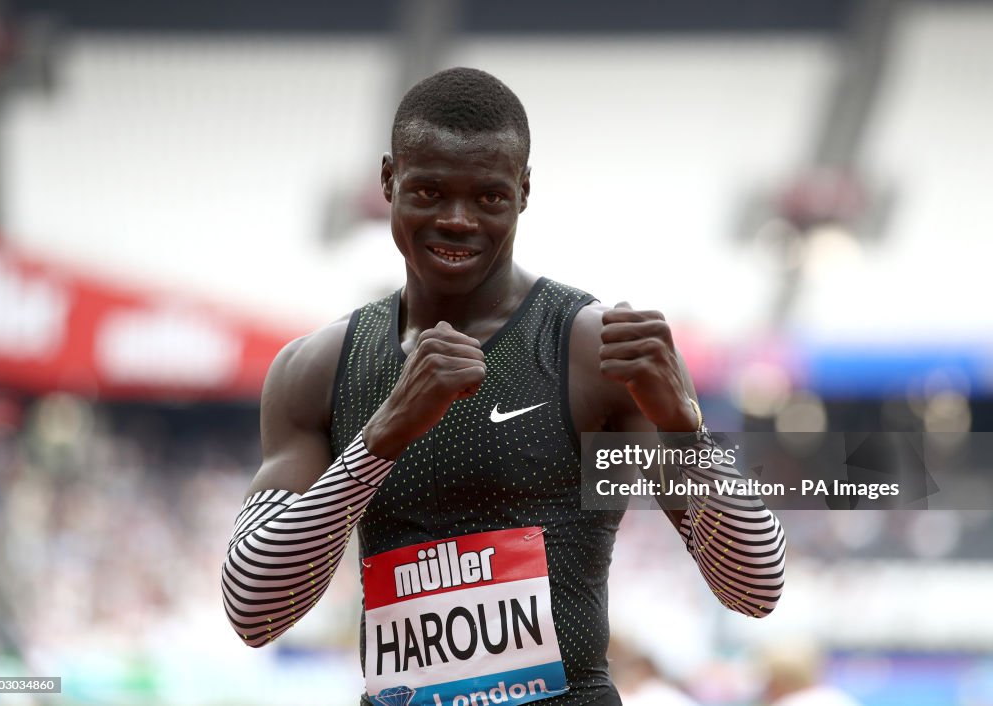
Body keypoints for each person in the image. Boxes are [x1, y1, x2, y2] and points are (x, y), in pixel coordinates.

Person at [221, 67, 785, 706]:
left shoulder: (596, 351)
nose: (458, 221)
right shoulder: (318, 367)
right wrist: (383, 437)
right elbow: (251, 609)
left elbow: (755, 588)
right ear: (387, 181)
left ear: (523, 190)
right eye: (429, 191)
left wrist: (686, 431)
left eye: (488, 196)